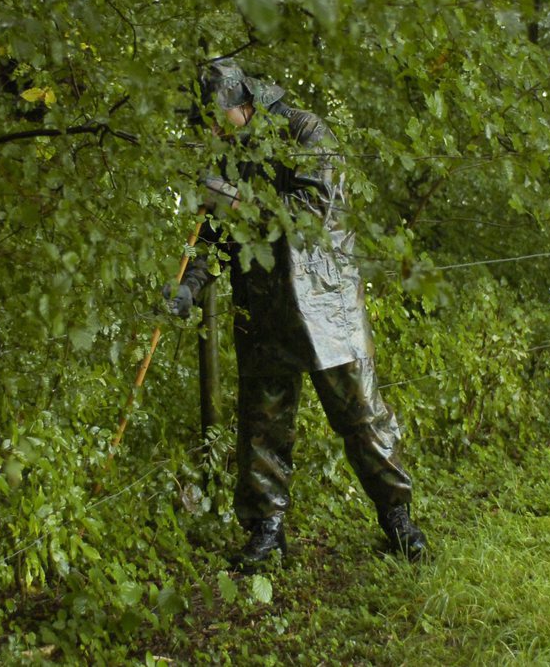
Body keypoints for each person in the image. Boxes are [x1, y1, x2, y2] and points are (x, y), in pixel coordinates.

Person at [163, 58, 427, 568]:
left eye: (217, 118)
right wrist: (189, 287)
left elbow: (309, 213)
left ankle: (398, 519)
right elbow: (214, 236)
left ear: (243, 104)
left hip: (327, 303)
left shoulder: (306, 130)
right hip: (262, 305)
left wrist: (236, 199)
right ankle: (267, 531)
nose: (213, 131)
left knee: (361, 416)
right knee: (262, 425)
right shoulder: (228, 154)